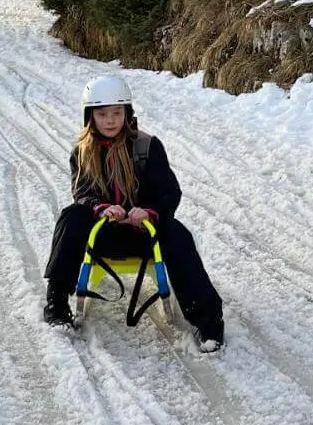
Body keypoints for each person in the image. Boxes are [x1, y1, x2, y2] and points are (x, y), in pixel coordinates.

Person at [42, 75, 224, 351]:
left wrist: (149, 211)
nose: (110, 120)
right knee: (71, 217)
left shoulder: (147, 146)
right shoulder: (82, 152)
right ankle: (56, 305)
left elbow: (169, 192)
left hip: (143, 234)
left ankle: (208, 322)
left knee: (177, 233)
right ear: (90, 116)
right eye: (102, 114)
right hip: (103, 233)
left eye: (117, 113)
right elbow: (82, 192)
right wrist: (101, 208)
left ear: (127, 112)